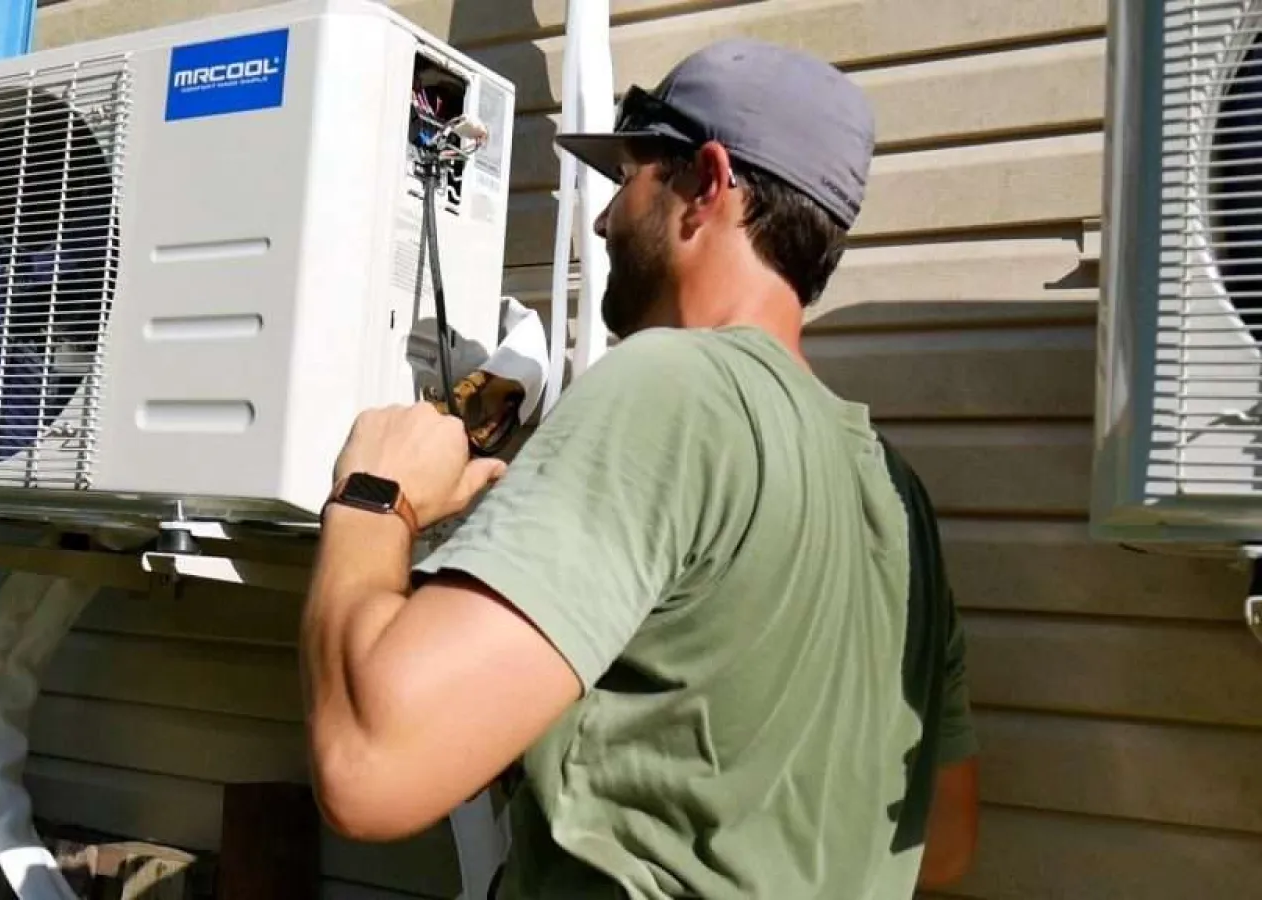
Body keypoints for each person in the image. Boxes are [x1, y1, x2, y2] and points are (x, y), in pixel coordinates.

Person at [298, 37, 978, 898]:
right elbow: (942, 841)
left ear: (706, 182)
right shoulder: (894, 491)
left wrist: (372, 499)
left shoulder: (671, 389)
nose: (603, 218)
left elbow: (369, 767)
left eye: (629, 178)